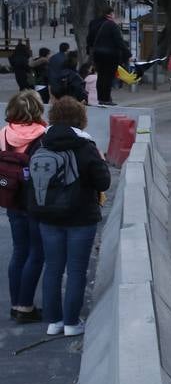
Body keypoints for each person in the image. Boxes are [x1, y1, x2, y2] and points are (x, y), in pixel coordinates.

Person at [31, 97, 111, 337]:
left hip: (47, 217)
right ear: (81, 119)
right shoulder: (85, 146)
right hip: (80, 218)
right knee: (76, 270)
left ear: (53, 117)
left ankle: (53, 322)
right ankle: (71, 323)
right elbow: (103, 182)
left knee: (53, 268)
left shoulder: (40, 144)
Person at [2, 91, 47, 324]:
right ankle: (26, 306)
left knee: (19, 251)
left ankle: (15, 304)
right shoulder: (42, 136)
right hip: (35, 202)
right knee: (36, 252)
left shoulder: (3, 134)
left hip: (11, 198)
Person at [86, 8, 130, 106]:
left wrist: (90, 50)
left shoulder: (94, 23)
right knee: (108, 77)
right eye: (113, 13)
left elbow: (89, 39)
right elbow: (119, 41)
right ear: (109, 14)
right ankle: (106, 99)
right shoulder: (111, 25)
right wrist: (127, 54)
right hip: (110, 55)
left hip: (97, 53)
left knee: (101, 76)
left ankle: (101, 98)